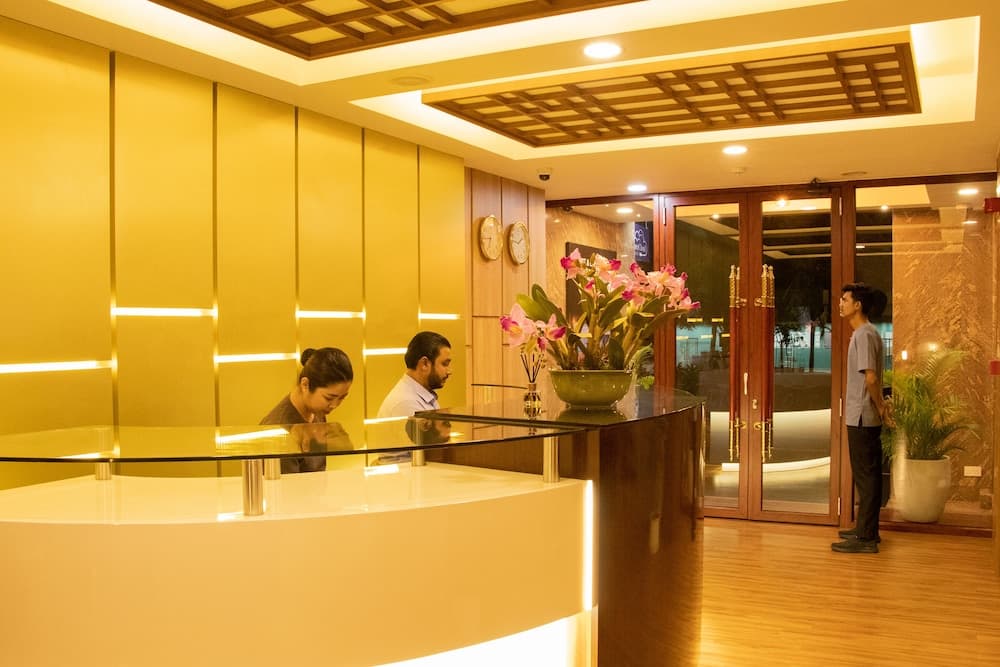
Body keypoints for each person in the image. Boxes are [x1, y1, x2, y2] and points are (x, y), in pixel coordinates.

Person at [832, 283, 887, 554]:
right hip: (863, 415)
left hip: (862, 416)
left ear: (858, 305)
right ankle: (867, 530)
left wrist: (880, 406)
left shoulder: (864, 334)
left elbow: (871, 378)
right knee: (868, 476)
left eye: (845, 299)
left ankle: (865, 539)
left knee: (866, 478)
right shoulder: (868, 332)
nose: (840, 304)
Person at [260, 347, 353, 474]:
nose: (334, 405)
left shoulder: (317, 411)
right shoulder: (280, 430)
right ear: (305, 385)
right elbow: (286, 486)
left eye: (342, 397)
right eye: (329, 398)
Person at [377, 331, 452, 418]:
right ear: (424, 364)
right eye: (445, 364)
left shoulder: (420, 397)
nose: (449, 371)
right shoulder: (406, 404)